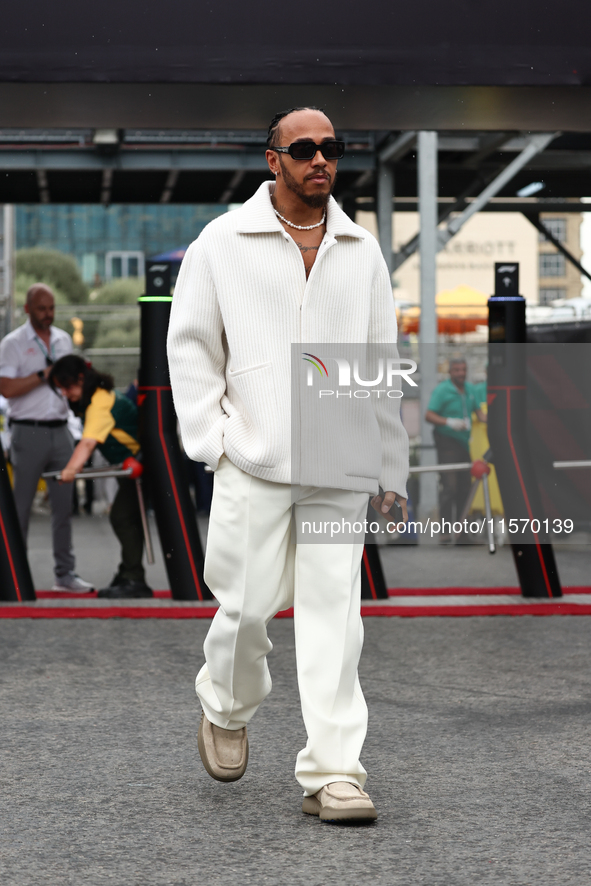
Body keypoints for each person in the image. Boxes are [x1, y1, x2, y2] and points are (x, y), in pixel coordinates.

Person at [167, 107, 409, 822]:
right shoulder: (221, 243)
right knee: (243, 609)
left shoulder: (361, 250)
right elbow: (191, 350)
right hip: (255, 457)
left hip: (339, 462)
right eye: (303, 148)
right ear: (272, 160)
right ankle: (226, 702)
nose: (319, 160)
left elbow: (378, 362)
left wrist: (388, 468)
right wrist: (213, 440)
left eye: (330, 149)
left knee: (335, 620)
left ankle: (334, 772)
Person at [0, 284, 93, 591]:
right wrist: (45, 375)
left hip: (61, 429)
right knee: (21, 508)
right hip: (28, 430)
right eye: (42, 308)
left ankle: (65, 575)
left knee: (64, 508)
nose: (48, 314)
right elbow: (7, 389)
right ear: (27, 309)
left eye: (52, 308)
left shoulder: (64, 339)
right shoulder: (12, 343)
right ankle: (12, 574)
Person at [49, 354, 152, 599]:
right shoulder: (98, 397)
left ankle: (134, 578)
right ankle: (128, 571)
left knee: (122, 518)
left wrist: (70, 470)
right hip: (129, 465)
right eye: (61, 388)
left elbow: (87, 444)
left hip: (139, 464)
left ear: (82, 379)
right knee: (126, 519)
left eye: (68, 386)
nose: (65, 393)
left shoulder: (99, 403)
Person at [425, 358, 486, 540]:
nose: (461, 373)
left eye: (464, 369)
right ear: (450, 372)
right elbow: (429, 415)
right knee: (450, 487)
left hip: (464, 443)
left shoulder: (470, 389)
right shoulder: (443, 390)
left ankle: (462, 534)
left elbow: (480, 414)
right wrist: (449, 422)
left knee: (465, 488)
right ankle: (444, 532)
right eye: (457, 370)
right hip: (447, 441)